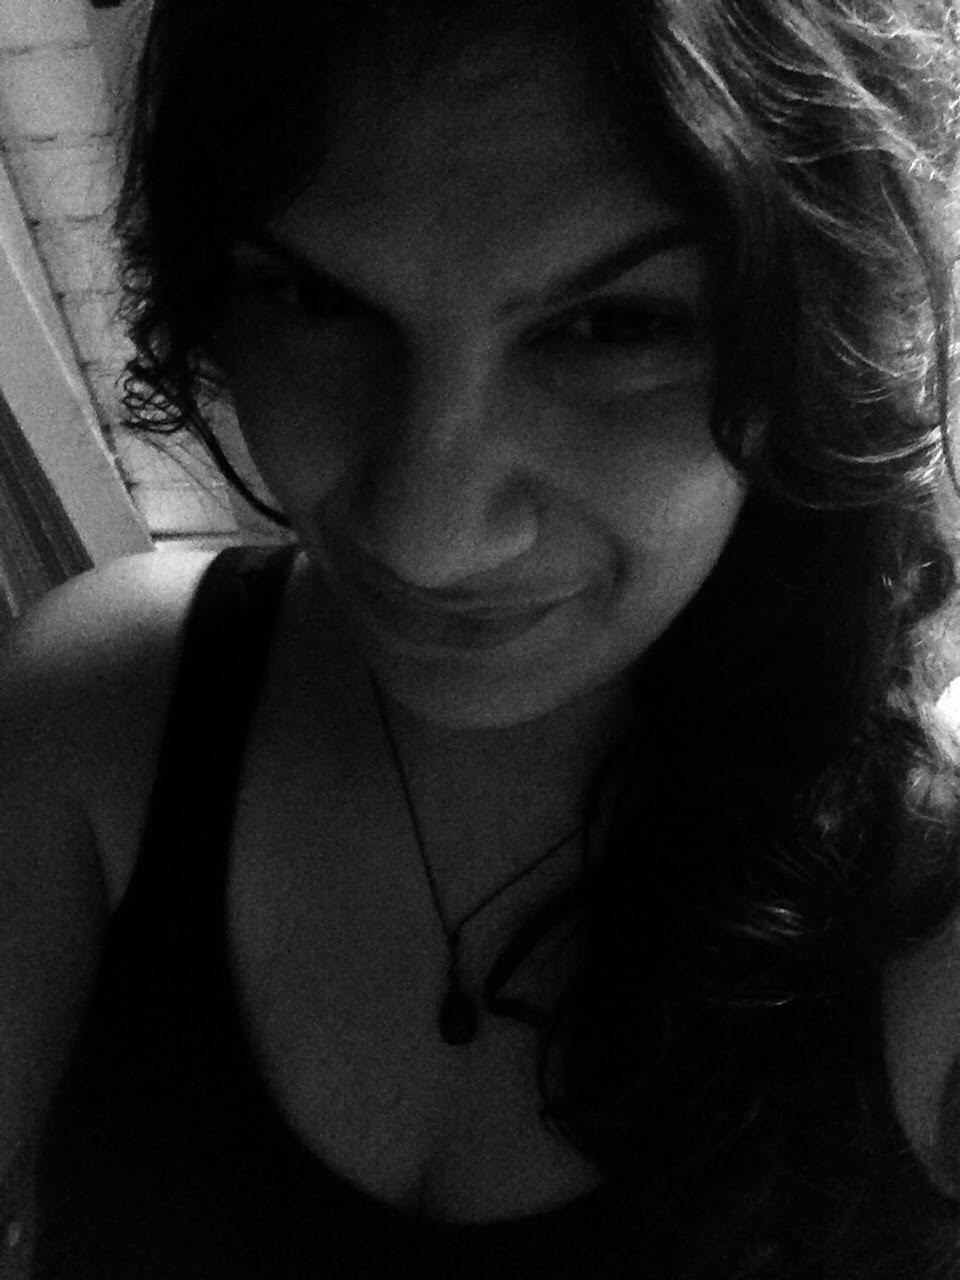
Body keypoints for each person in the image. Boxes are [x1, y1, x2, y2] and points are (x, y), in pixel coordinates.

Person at [2, 0, 960, 1274]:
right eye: (316, 299)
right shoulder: (103, 715)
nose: (427, 535)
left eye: (614, 325)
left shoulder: (928, 919)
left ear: (811, 345)